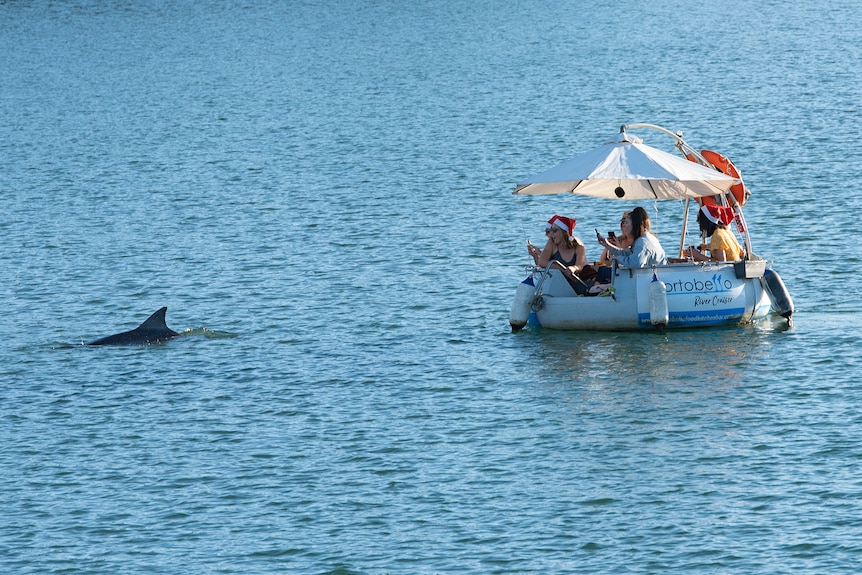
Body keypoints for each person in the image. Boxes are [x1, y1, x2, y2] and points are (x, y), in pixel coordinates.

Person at [597, 206, 667, 268]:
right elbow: (626, 253)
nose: (624, 226)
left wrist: (617, 258)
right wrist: (607, 245)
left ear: (634, 225)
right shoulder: (645, 237)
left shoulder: (643, 242)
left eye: (627, 223)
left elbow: (635, 263)